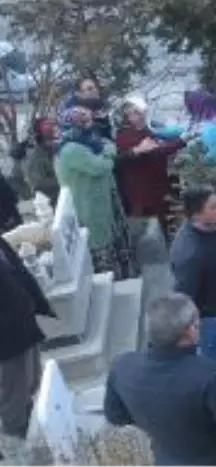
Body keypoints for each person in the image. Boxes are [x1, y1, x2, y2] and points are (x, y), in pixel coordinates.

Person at [103, 293, 216, 466]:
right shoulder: (208, 376)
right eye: (197, 322)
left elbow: (116, 416)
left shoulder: (122, 366)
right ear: (190, 330)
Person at [169, 186, 216, 360]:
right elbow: (185, 296)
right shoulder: (190, 253)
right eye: (213, 207)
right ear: (197, 215)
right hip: (214, 321)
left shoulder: (215, 226)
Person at [55, 106, 134, 277]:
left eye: (89, 119)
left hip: (104, 202)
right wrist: (108, 154)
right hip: (88, 208)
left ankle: (126, 275)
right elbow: (100, 166)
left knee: (116, 239)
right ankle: (114, 280)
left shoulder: (90, 141)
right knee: (102, 249)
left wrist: (107, 152)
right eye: (83, 121)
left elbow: (109, 146)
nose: (89, 124)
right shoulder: (71, 150)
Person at [0, 219, 54, 454]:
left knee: (32, 382)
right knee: (13, 398)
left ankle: (29, 423)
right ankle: (16, 451)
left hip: (23, 327)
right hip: (7, 341)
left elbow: (17, 272)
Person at [114, 99, 187, 220]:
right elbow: (156, 151)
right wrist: (182, 141)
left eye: (141, 111)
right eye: (135, 113)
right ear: (127, 117)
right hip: (142, 194)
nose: (141, 115)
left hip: (157, 188)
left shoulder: (145, 131)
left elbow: (158, 149)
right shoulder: (125, 136)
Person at [18, 117, 60, 204]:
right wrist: (64, 181)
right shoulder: (35, 155)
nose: (52, 127)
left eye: (52, 124)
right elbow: (38, 182)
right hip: (49, 200)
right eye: (48, 125)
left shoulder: (56, 148)